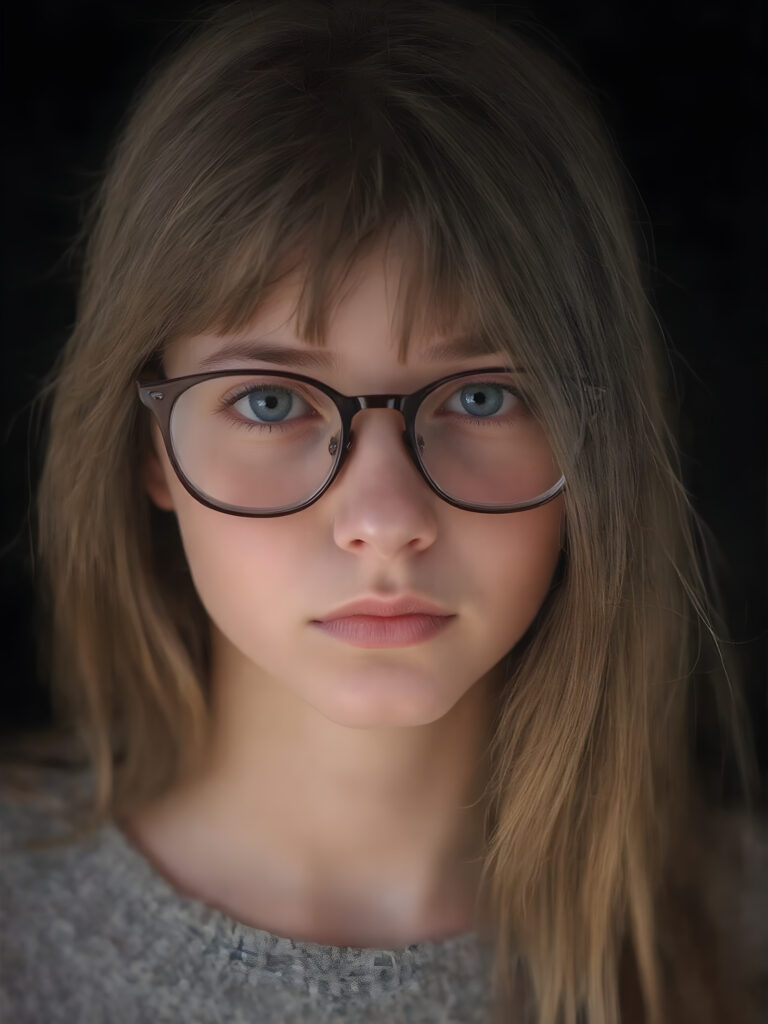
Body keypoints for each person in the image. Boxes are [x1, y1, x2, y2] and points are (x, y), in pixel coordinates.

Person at [0, 2, 765, 1022]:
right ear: (149, 450)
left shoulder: (740, 931)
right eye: (270, 401)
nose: (385, 518)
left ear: (598, 443)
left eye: (481, 397)